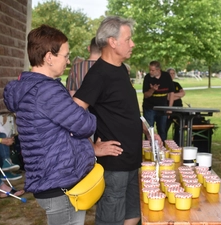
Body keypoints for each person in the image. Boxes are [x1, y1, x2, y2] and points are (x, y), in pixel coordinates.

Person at [3, 24, 97, 225]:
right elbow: (85, 126)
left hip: (48, 177)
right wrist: (80, 105)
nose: (69, 61)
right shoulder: (47, 91)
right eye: (66, 55)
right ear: (49, 57)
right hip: (59, 183)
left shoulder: (30, 88)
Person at [73, 16, 161, 225]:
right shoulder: (99, 75)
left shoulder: (121, 69)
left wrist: (149, 131)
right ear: (112, 42)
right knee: (111, 219)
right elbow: (74, 114)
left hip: (132, 159)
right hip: (114, 165)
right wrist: (91, 147)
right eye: (128, 39)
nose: (133, 44)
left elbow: (128, 112)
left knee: (133, 215)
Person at [143, 61, 175, 141]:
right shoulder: (147, 78)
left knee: (162, 131)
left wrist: (170, 108)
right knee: (149, 131)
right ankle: (148, 150)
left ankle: (162, 149)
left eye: (152, 70)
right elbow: (146, 95)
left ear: (158, 70)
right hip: (149, 108)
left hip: (162, 108)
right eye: (149, 70)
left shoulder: (166, 76)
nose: (150, 72)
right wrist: (152, 90)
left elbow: (171, 92)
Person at [165, 68, 185, 144]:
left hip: (178, 110)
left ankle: (178, 143)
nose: (172, 75)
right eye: (171, 73)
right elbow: (167, 97)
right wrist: (178, 96)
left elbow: (183, 93)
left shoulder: (176, 84)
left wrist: (172, 95)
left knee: (179, 127)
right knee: (165, 128)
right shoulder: (165, 85)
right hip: (168, 110)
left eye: (173, 73)